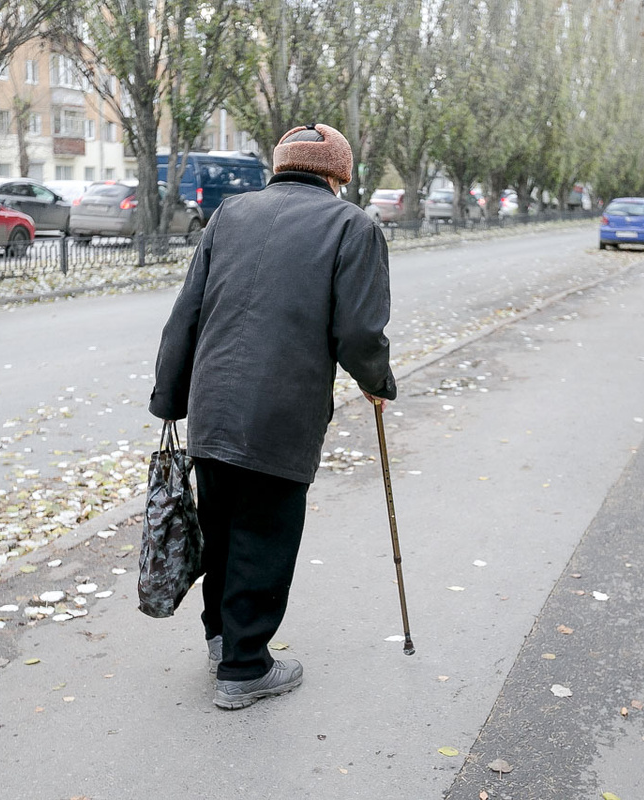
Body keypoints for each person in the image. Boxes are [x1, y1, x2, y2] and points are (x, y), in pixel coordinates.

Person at [149, 123, 397, 710]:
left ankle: (220, 639)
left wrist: (169, 398)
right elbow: (359, 330)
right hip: (283, 409)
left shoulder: (230, 215)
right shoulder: (352, 226)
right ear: (339, 175)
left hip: (213, 405)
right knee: (265, 534)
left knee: (223, 527)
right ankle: (244, 668)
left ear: (280, 167)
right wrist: (377, 383)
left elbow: (186, 312)